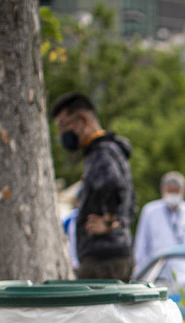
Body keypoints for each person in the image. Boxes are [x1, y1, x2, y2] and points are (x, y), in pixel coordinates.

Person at [50, 92, 135, 280]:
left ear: (83, 119)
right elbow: (130, 201)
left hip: (102, 257)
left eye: (64, 126)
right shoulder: (113, 150)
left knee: (92, 309)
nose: (62, 134)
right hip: (116, 251)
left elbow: (113, 184)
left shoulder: (101, 153)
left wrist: (108, 222)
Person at [132, 171, 185, 275]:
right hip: (156, 273)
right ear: (163, 190)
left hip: (184, 275)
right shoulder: (150, 211)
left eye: (176, 191)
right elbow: (141, 245)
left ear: (183, 191)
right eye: (170, 191)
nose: (173, 195)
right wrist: (139, 272)